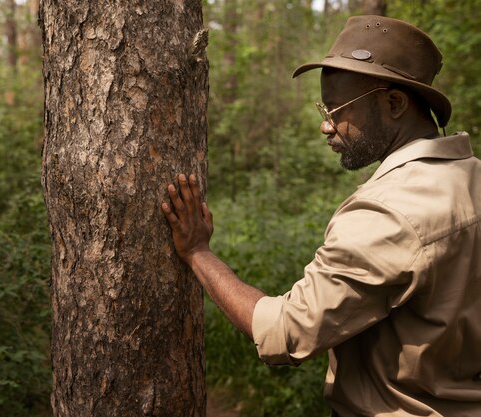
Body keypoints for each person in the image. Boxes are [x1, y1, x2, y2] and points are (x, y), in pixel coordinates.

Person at [161, 15, 481, 417]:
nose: (325, 127)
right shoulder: (472, 177)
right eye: (324, 108)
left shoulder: (388, 213)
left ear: (394, 103)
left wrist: (197, 252)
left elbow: (283, 332)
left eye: (337, 109)